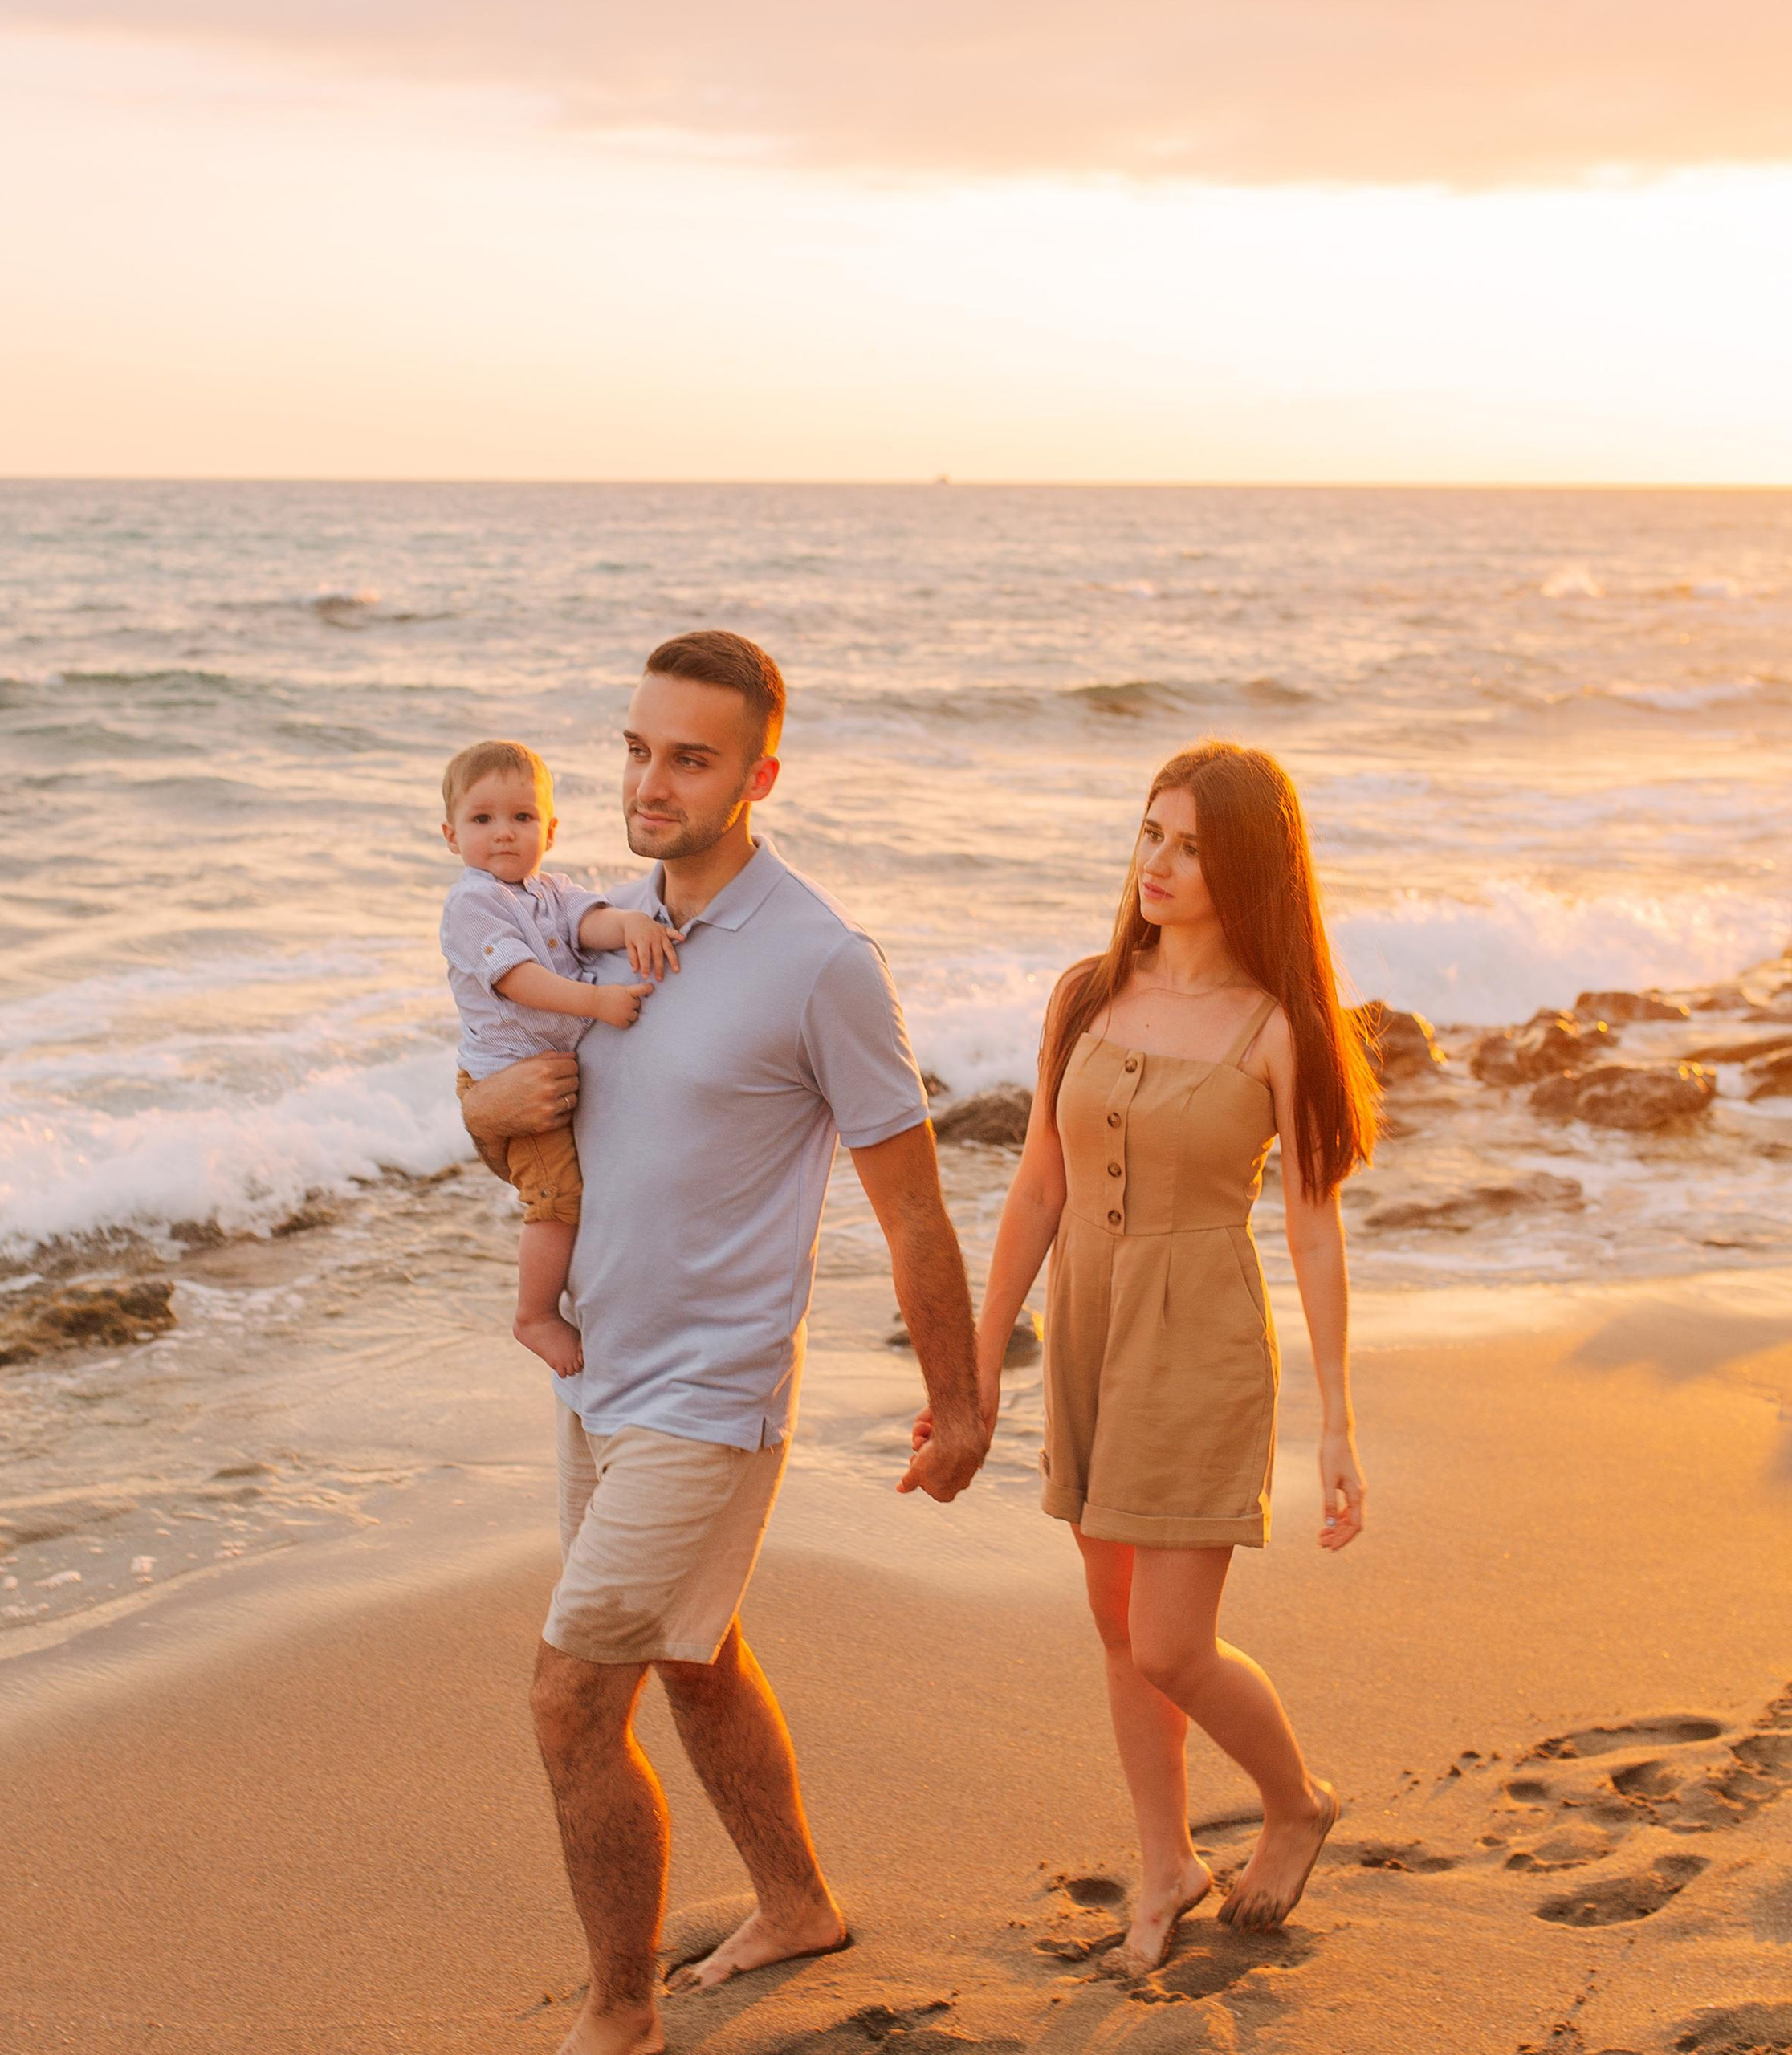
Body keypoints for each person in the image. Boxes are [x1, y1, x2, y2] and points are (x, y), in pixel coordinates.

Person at [458, 629, 989, 2055]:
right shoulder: (590, 927)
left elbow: (914, 1208)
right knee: (696, 1656)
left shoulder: (820, 961)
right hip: (600, 1373)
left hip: (712, 1391)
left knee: (573, 1698)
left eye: (689, 757)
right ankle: (798, 1902)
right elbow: (526, 1113)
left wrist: (962, 1404)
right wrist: (480, 1119)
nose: (651, 780)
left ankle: (618, 2020)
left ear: (757, 774)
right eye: (635, 748)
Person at [955, 739, 1376, 1976]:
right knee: (1110, 1617)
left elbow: (1311, 1220)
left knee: (1170, 1643)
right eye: (1151, 833)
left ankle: (1294, 1799)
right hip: (1086, 1322)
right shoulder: (1085, 995)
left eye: (1192, 846)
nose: (1161, 864)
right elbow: (1037, 1188)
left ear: (1247, 866)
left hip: (1200, 1340)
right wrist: (977, 1368)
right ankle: (1165, 1861)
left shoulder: (1277, 1026)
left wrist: (1339, 1420)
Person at [438, 738, 682, 1375]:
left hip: (546, 1072)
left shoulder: (550, 890)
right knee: (557, 1199)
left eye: (522, 818)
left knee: (583, 1190)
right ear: (450, 834)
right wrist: (595, 1004)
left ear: (550, 828)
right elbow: (518, 979)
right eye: (482, 819)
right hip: (508, 1078)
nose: (504, 835)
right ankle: (534, 1315)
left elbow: (587, 922)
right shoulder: (472, 903)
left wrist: (628, 926)